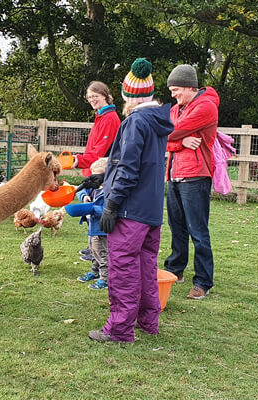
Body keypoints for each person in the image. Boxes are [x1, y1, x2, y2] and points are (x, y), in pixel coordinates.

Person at [88, 58, 174, 343]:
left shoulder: (135, 122)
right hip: (150, 210)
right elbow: (140, 164)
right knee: (146, 267)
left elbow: (129, 167)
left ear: (127, 95)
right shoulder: (157, 121)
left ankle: (119, 329)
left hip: (130, 210)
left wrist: (112, 203)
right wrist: (103, 178)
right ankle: (148, 321)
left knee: (123, 267)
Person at [163, 64, 220, 300]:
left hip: (195, 175)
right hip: (174, 174)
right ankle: (176, 269)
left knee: (198, 230)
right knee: (177, 227)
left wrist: (173, 137)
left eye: (176, 89)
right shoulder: (178, 108)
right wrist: (180, 143)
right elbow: (165, 138)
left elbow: (167, 130)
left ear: (189, 86)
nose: (173, 95)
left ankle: (203, 281)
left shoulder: (205, 106)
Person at [71, 81, 121, 260]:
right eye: (89, 97)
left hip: (102, 172)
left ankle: (99, 251)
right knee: (92, 209)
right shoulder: (101, 116)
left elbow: (100, 151)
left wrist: (79, 161)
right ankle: (92, 246)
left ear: (105, 96)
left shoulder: (110, 118)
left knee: (99, 210)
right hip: (93, 170)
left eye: (95, 96)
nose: (92, 99)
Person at [76, 158, 109, 290]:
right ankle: (95, 272)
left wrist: (92, 208)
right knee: (93, 250)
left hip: (102, 228)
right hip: (92, 226)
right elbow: (80, 191)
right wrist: (84, 197)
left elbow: (108, 211)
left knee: (102, 253)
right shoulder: (93, 188)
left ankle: (105, 278)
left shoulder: (109, 192)